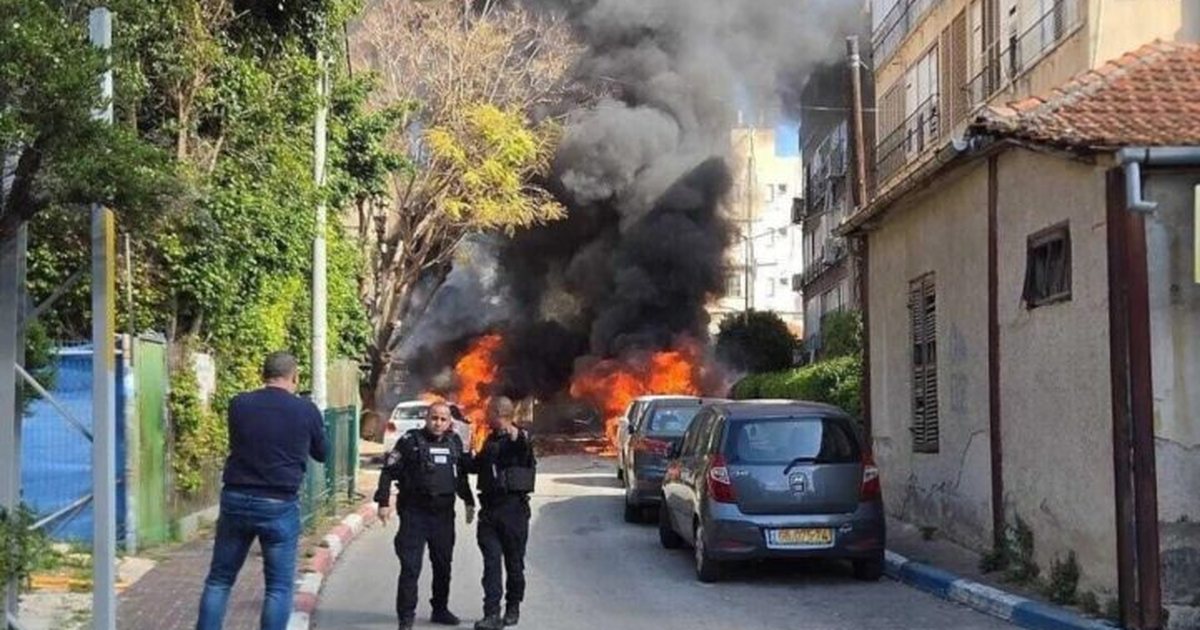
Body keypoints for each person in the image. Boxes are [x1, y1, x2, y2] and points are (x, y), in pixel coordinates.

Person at [197, 352, 326, 630]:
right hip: (279, 503)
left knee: (219, 580)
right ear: (295, 377)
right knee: (278, 587)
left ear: (262, 374)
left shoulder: (239, 404)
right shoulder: (306, 410)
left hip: (236, 498)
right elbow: (322, 453)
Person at [376, 401, 476, 630]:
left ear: (450, 422)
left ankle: (440, 609)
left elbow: (460, 477)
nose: (438, 423)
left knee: (443, 565)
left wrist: (469, 501)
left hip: (443, 515)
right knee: (411, 567)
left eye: (443, 419)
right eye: (434, 418)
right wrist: (383, 502)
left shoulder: (454, 442)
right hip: (414, 513)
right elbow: (388, 472)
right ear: (427, 419)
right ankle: (406, 617)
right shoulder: (410, 441)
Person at [472, 397, 537, 630]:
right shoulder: (490, 440)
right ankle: (491, 613)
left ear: (501, 413)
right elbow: (476, 465)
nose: (486, 416)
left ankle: (513, 606)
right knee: (491, 564)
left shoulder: (518, 438)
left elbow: (522, 444)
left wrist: (514, 432)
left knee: (514, 564)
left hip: (514, 512)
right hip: (490, 511)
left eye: (491, 412)